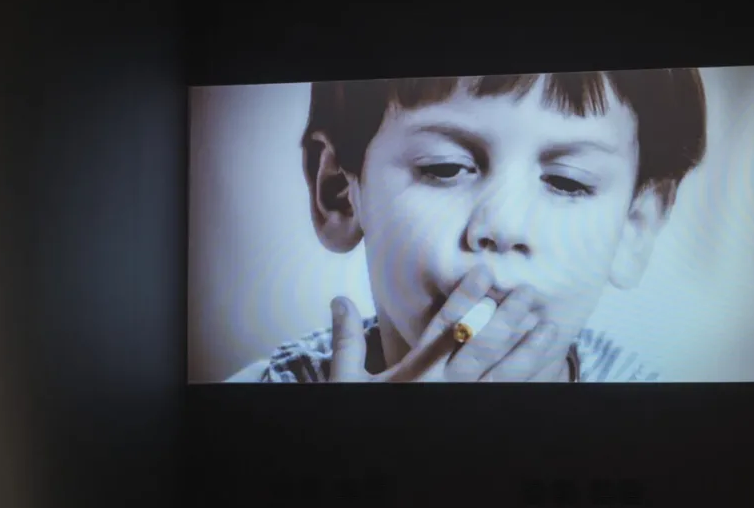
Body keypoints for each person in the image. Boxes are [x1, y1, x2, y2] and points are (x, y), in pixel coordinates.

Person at [228, 69, 708, 383]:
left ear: (635, 225)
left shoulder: (672, 424)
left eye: (567, 181)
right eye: (443, 168)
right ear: (338, 192)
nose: (503, 225)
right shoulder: (263, 397)